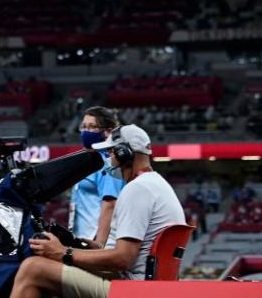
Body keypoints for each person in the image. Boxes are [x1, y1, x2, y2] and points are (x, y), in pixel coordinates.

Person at [10, 125, 185, 298]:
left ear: (124, 153)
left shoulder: (137, 189)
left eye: (111, 152)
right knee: (52, 267)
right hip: (148, 285)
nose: (108, 158)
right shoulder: (156, 184)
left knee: (32, 268)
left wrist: (63, 252)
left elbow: (123, 259)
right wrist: (95, 250)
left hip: (132, 289)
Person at [69, 107, 124, 249]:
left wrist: (99, 244)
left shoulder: (107, 161)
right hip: (83, 238)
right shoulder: (90, 159)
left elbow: (110, 204)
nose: (86, 131)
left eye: (92, 127)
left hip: (98, 241)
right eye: (84, 127)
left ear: (108, 131)